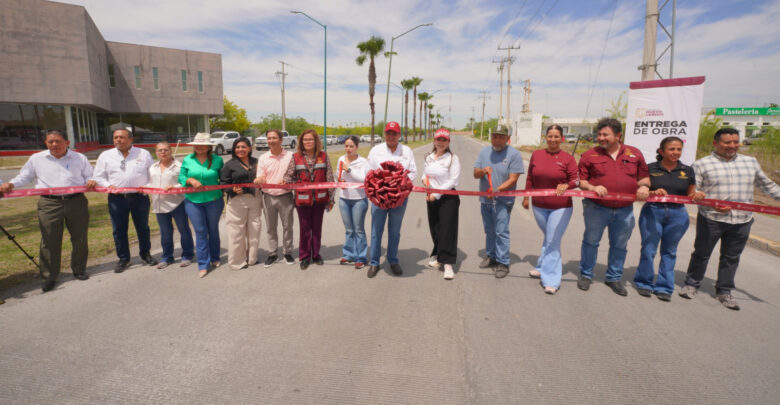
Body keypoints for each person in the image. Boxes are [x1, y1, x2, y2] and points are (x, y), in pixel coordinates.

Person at [680, 128, 780, 310]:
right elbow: (694, 193)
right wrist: (710, 203)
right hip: (711, 218)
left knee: (731, 257)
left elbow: (767, 185)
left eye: (735, 142)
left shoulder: (750, 162)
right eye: (727, 142)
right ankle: (691, 284)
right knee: (702, 253)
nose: (732, 146)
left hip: (742, 220)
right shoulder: (702, 164)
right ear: (715, 143)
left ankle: (724, 291)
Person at [1, 130, 94, 292]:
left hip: (76, 202)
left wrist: (92, 181)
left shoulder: (80, 158)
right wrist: (12, 184)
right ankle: (49, 276)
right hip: (49, 204)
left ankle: (79, 270)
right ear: (46, 143)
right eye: (50, 142)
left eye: (57, 141)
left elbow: (89, 176)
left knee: (79, 237)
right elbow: (24, 176)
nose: (54, 145)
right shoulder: (37, 159)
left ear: (67, 143)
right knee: (49, 240)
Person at [577, 118, 650, 296]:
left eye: (605, 134)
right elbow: (582, 181)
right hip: (596, 208)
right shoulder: (589, 155)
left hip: (625, 210)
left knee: (619, 245)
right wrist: (593, 187)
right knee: (591, 242)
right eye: (599, 134)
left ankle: (614, 278)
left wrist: (644, 187)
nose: (601, 138)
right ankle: (586, 274)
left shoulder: (634, 154)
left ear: (618, 135)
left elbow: (644, 178)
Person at [633, 137, 705, 302]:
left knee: (670, 251)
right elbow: (641, 191)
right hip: (653, 212)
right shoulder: (649, 168)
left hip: (677, 215)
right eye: (671, 149)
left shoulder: (687, 170)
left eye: (679, 149)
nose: (676, 152)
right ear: (661, 151)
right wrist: (651, 192)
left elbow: (690, 194)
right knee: (649, 249)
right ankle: (644, 283)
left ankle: (664, 287)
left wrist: (697, 195)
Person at [521, 124, 579, 294]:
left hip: (561, 207)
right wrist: (526, 196)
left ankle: (551, 279)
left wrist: (566, 184)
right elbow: (530, 177)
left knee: (553, 240)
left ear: (561, 138)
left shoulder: (568, 158)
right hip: (539, 205)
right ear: (545, 137)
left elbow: (576, 180)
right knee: (549, 237)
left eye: (556, 137)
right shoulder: (537, 155)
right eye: (550, 136)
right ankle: (541, 265)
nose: (553, 140)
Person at [93, 128, 157, 273]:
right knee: (119, 230)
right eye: (115, 137)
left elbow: (152, 174)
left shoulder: (143, 154)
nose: (118, 140)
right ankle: (123, 258)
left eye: (121, 137)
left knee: (143, 228)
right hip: (117, 199)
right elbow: (98, 176)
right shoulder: (106, 155)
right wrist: (107, 185)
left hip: (139, 198)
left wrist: (147, 187)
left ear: (131, 139)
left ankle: (145, 254)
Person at [365, 121, 417, 278]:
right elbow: (368, 171)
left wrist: (401, 186)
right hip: (379, 198)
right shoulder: (376, 150)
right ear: (385, 134)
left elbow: (413, 172)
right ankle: (374, 262)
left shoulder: (407, 151)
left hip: (399, 199)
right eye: (389, 133)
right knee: (376, 231)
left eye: (394, 133)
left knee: (394, 231)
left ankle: (393, 260)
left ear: (399, 135)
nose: (391, 136)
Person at [474, 124, 524, 278]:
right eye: (494, 136)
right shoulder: (484, 152)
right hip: (485, 199)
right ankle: (491, 256)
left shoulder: (514, 154)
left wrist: (496, 191)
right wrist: (483, 171)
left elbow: (513, 179)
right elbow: (475, 174)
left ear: (507, 138)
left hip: (503, 200)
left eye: (501, 137)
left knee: (501, 231)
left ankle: (503, 262)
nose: (496, 139)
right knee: (489, 230)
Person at [283, 129, 335, 270]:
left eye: (310, 139)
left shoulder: (324, 156)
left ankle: (316, 255)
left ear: (316, 141)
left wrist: (331, 199)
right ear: (301, 142)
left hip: (320, 199)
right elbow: (289, 175)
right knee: (305, 229)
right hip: (302, 200)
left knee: (317, 228)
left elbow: (330, 178)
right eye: (305, 140)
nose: (308, 142)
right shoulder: (296, 157)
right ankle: (305, 256)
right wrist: (286, 181)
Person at [179, 132, 224, 278]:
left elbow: (223, 178)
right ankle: (203, 264)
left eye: (202, 144)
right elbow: (181, 177)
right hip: (193, 200)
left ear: (209, 147)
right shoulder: (187, 159)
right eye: (196, 145)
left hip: (213, 200)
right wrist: (190, 180)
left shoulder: (217, 160)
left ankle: (215, 257)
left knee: (213, 229)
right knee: (200, 231)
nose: (199, 147)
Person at [147, 142, 194, 269]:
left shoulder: (179, 166)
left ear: (170, 151)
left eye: (165, 150)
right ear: (156, 152)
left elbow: (185, 183)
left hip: (177, 203)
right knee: (165, 232)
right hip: (159, 204)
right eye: (160, 150)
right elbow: (151, 184)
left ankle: (188, 255)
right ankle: (167, 257)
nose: (163, 152)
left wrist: (175, 187)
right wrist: (144, 188)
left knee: (183, 229)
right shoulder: (152, 167)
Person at [423, 128, 461, 280]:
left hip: (448, 199)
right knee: (435, 228)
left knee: (447, 230)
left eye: (444, 140)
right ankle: (439, 256)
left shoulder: (452, 158)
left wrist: (436, 194)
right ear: (434, 140)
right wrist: (425, 183)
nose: (441, 142)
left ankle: (448, 264)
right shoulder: (429, 157)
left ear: (448, 142)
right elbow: (424, 174)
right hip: (430, 196)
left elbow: (453, 181)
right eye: (439, 139)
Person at [255, 129, 295, 267]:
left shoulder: (291, 156)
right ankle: (272, 253)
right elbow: (260, 175)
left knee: (287, 226)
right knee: (271, 227)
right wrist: (259, 179)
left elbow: (295, 175)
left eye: (274, 138)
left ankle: (288, 252)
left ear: (281, 140)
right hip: (268, 196)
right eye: (269, 138)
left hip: (286, 196)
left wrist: (289, 182)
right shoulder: (263, 158)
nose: (271, 141)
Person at [220, 137, 262, 271]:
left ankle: (252, 258)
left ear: (249, 148)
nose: (240, 150)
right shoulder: (229, 165)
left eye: (243, 147)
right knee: (236, 232)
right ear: (234, 149)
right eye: (237, 147)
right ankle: (237, 261)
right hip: (237, 201)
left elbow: (264, 176)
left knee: (254, 230)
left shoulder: (257, 162)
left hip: (255, 199)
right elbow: (223, 183)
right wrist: (232, 189)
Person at [336, 135, 369, 269]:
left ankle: (361, 257)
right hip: (344, 198)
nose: (348, 149)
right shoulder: (341, 159)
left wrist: (348, 169)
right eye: (346, 146)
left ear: (357, 147)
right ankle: (348, 254)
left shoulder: (363, 161)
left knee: (358, 229)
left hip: (359, 199)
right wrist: (339, 181)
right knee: (349, 229)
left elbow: (363, 179)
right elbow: (338, 175)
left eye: (351, 146)